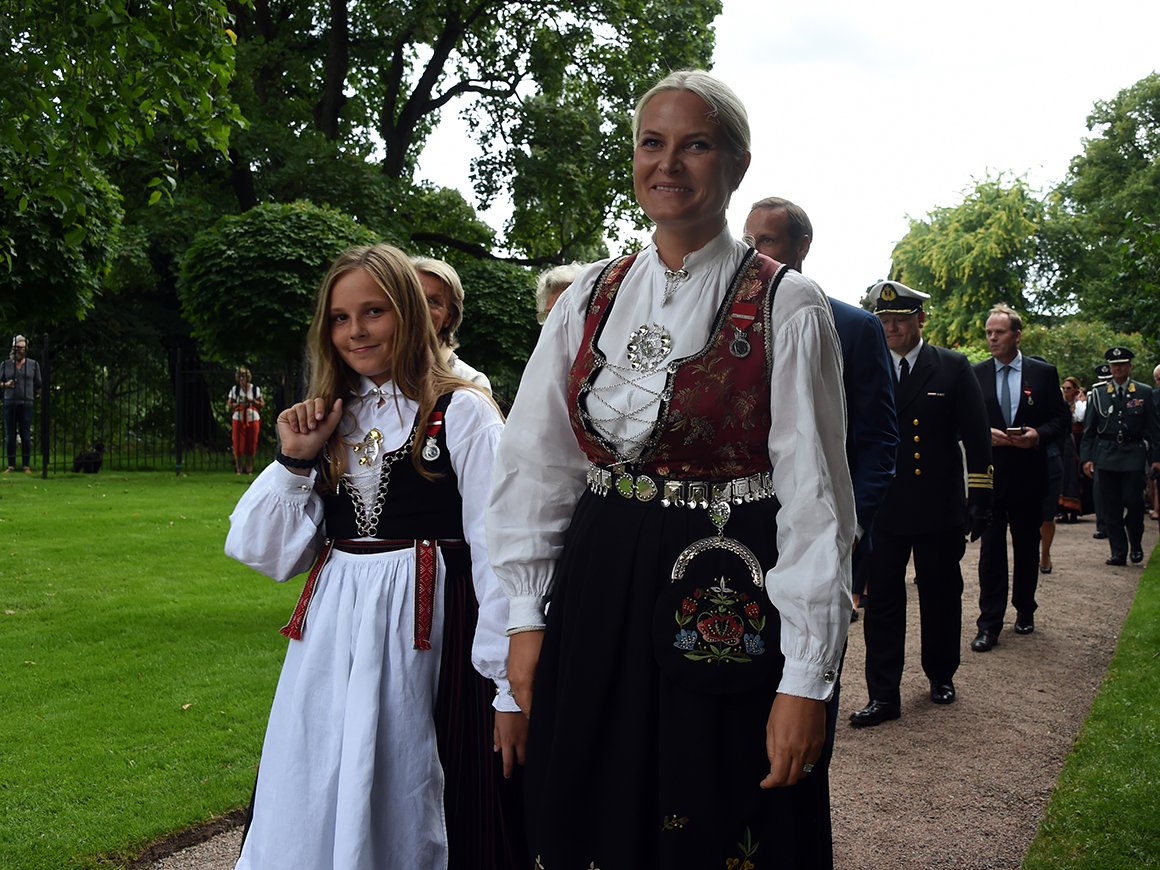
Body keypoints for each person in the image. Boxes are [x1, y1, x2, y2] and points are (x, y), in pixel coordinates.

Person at [487, 70, 854, 869]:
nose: (669, 163)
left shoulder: (789, 306)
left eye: (697, 145)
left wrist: (806, 678)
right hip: (599, 578)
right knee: (594, 801)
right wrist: (524, 616)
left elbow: (817, 502)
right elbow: (536, 465)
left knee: (717, 804)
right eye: (652, 143)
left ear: (738, 164)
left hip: (727, 579)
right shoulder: (591, 293)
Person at [225, 244, 525, 870]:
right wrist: (295, 458)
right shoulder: (330, 420)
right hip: (334, 641)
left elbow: (502, 552)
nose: (355, 331)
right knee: (324, 769)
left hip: (433, 637)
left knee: (420, 780)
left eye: (373, 312)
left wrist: (507, 689)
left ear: (409, 313)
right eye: (340, 317)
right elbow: (263, 552)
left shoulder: (461, 411)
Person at [848, 281, 992, 726]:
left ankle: (941, 674)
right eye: (884, 320)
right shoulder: (865, 366)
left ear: (920, 320)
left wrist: (980, 497)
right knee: (882, 602)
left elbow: (977, 436)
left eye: (900, 320)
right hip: (884, 508)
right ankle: (883, 694)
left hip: (937, 506)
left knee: (941, 595)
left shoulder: (951, 366)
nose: (891, 328)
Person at [971, 304, 1069, 650]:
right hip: (991, 477)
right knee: (991, 551)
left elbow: (1061, 419)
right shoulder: (976, 374)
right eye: (988, 332)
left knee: (1027, 547)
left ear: (1017, 335)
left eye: (999, 332)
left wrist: (1037, 435)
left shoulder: (1042, 373)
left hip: (1029, 474)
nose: (992, 338)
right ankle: (989, 624)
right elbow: (963, 422)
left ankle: (1025, 608)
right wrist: (984, 434)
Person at [1080, 347, 1160, 565]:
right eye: (1115, 365)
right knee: (1111, 506)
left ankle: (1135, 542)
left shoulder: (1143, 392)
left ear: (1129, 367)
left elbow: (1154, 429)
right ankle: (1118, 551)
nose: (1118, 368)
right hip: (1106, 454)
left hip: (1133, 454)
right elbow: (1089, 430)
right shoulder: (1098, 394)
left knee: (1134, 502)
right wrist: (1087, 458)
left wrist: (1156, 458)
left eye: (1122, 364)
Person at [411, 257, 492, 391]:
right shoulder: (376, 371)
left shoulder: (470, 383)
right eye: (413, 297)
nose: (420, 308)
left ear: (449, 317)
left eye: (433, 302)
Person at [1, 335, 41, 474]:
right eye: (18, 348)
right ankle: (11, 465)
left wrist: (39, 395)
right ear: (13, 348)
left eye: (23, 348)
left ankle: (26, 465)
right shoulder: (5, 364)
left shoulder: (33, 365)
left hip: (26, 403)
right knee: (10, 435)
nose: (20, 350)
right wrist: (6, 384)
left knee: (25, 434)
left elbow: (39, 384)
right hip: (9, 402)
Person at [1057, 376, 1086, 524]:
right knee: (1065, 475)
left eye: (1069, 388)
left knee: (1077, 475)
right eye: (1064, 388)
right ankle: (1063, 510)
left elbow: (1081, 417)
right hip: (1065, 442)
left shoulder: (1080, 404)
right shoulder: (1060, 404)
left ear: (1075, 389)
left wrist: (1080, 401)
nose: (1066, 391)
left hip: (1078, 441)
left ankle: (1075, 510)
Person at [227, 367, 264, 475]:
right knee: (238, 444)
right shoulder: (235, 389)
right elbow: (229, 404)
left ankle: (249, 468)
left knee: (251, 444)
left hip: (253, 418)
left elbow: (262, 404)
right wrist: (238, 404)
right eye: (240, 376)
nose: (242, 378)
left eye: (244, 376)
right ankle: (239, 468)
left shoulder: (254, 389)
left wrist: (252, 401)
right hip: (238, 418)